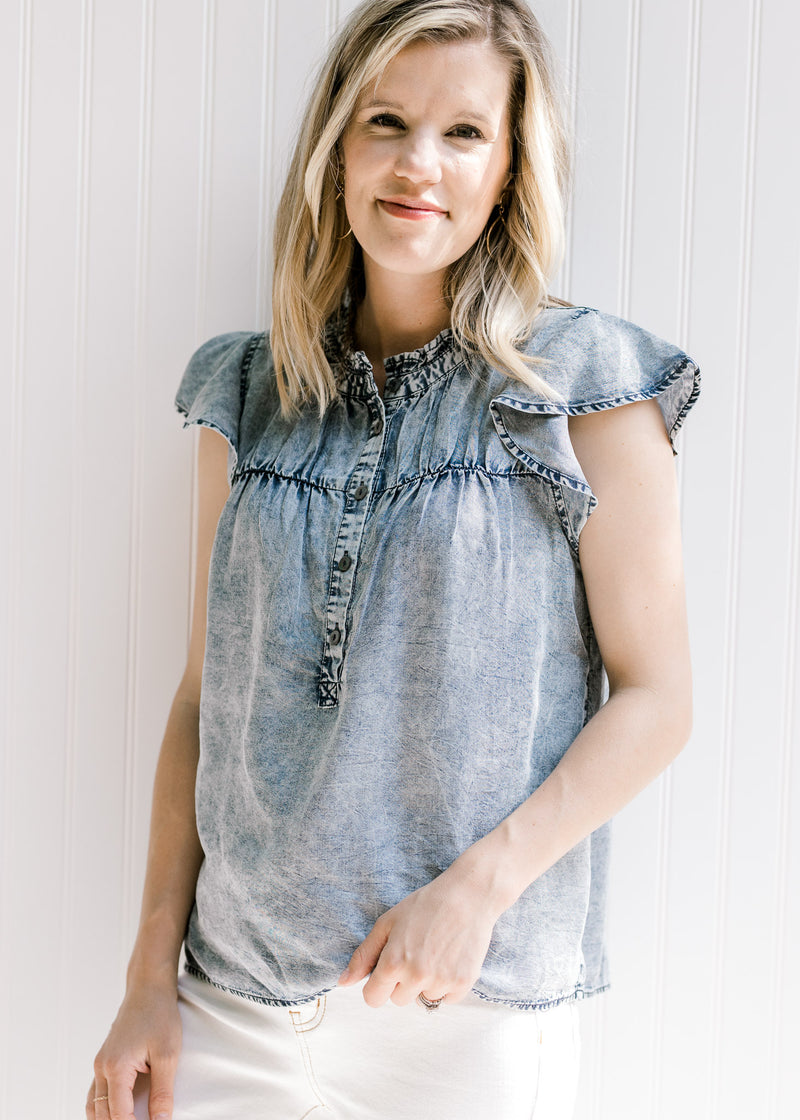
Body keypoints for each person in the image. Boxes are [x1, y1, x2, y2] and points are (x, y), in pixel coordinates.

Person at [87, 1, 700, 1117]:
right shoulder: (246, 392)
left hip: (461, 1019)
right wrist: (145, 980)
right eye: (386, 121)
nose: (419, 164)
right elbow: (202, 700)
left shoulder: (585, 382)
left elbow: (657, 698)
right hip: (228, 1008)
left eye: (464, 132)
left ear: (510, 166)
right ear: (336, 147)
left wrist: (479, 887)